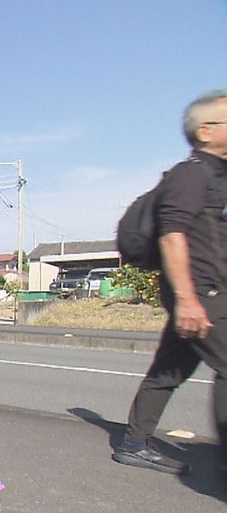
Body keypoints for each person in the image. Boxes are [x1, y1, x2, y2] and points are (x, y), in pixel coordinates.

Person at [118, 91, 227, 475]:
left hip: (204, 292)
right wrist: (187, 299)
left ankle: (134, 442)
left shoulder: (217, 176)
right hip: (202, 292)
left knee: (170, 369)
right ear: (206, 130)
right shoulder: (192, 173)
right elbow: (172, 234)